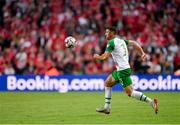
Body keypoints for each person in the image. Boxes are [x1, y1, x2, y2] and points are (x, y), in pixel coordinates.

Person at [93, 26, 158, 114]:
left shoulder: (111, 43)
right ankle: (107, 107)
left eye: (107, 32)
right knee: (107, 83)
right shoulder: (121, 41)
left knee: (130, 93)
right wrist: (142, 53)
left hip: (122, 71)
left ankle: (151, 102)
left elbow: (104, 56)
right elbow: (134, 43)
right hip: (122, 69)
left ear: (112, 33)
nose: (105, 34)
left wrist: (97, 56)